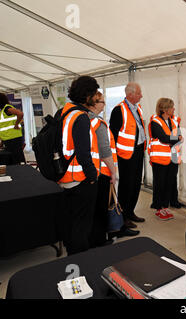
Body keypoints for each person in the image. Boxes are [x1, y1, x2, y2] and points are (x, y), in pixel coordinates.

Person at [58, 76, 100, 255]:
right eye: (95, 94)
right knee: (82, 226)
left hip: (66, 177)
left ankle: (72, 256)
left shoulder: (65, 111)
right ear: (87, 95)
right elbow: (83, 153)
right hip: (80, 179)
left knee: (71, 221)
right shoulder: (81, 117)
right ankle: (80, 261)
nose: (97, 97)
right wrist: (92, 177)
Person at [109, 83, 146, 236]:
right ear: (130, 94)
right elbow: (114, 133)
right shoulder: (119, 110)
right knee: (126, 185)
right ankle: (122, 217)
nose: (141, 96)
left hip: (138, 151)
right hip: (126, 154)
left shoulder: (138, 109)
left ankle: (130, 212)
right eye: (139, 93)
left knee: (136, 183)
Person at [86, 92, 118, 247]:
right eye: (102, 102)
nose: (104, 105)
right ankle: (99, 241)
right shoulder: (98, 123)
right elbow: (105, 151)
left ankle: (91, 238)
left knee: (91, 209)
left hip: (87, 172)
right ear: (94, 102)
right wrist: (113, 171)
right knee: (100, 209)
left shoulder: (82, 119)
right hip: (102, 172)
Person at [149, 98, 182, 220]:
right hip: (160, 159)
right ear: (165, 109)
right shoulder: (155, 121)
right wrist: (175, 137)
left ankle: (165, 206)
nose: (174, 109)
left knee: (169, 183)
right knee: (160, 183)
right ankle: (158, 207)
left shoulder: (173, 121)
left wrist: (174, 137)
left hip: (173, 159)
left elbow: (178, 136)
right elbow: (163, 137)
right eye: (172, 107)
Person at [0, 93, 26, 165]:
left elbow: (20, 114)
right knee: (10, 161)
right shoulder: (2, 111)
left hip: (13, 139)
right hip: (7, 140)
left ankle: (22, 174)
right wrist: (2, 142)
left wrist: (16, 124)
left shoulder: (7, 108)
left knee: (17, 160)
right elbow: (3, 128)